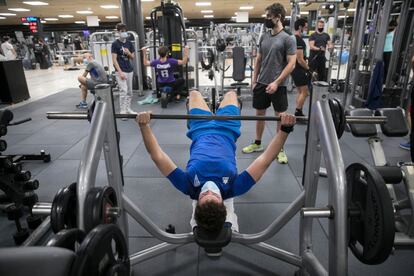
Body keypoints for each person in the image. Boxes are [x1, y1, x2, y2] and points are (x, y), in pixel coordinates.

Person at [136, 89, 296, 234]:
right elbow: (265, 160)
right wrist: (285, 129)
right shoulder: (234, 187)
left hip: (199, 127)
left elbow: (158, 156)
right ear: (222, 203)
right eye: (215, 195)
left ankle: (202, 106)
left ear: (197, 202)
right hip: (228, 127)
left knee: (194, 93)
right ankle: (222, 103)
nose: (210, 189)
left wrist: (144, 126)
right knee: (232, 94)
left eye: (205, 194)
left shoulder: (188, 186)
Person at [241, 3, 296, 165]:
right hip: (261, 83)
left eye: (269, 17)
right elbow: (258, 59)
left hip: (278, 85)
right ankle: (257, 143)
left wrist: (277, 82)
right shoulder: (264, 36)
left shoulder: (288, 38)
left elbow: (291, 63)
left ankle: (279, 149)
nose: (266, 20)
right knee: (260, 115)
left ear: (278, 17)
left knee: (280, 118)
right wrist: (254, 79)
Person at [112, 23, 136, 115]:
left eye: (125, 31)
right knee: (123, 91)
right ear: (118, 32)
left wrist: (128, 52)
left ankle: (128, 108)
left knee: (130, 91)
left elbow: (132, 57)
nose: (124, 33)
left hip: (129, 69)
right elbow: (114, 59)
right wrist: (120, 72)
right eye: (122, 31)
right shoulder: (115, 44)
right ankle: (123, 110)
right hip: (120, 70)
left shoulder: (129, 43)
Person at [291, 18, 311, 117]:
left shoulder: (294, 38)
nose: (306, 29)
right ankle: (298, 112)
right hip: (298, 69)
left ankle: (298, 110)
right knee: (305, 92)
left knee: (300, 91)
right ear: (300, 27)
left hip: (295, 69)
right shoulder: (298, 40)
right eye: (305, 27)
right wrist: (308, 69)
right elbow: (300, 59)